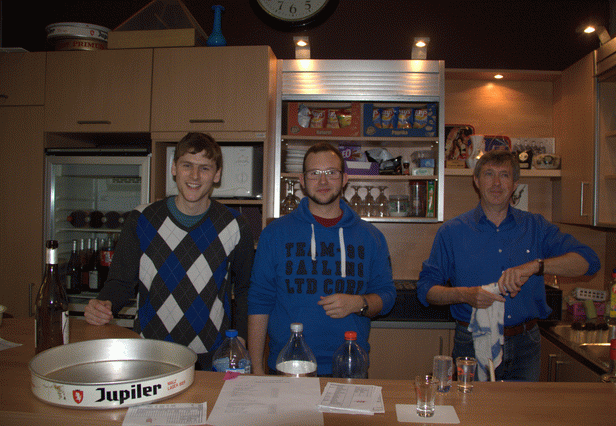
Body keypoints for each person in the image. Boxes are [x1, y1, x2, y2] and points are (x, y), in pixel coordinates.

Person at [417, 149, 600, 382]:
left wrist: (535, 266)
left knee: (521, 407)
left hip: (526, 344)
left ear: (514, 184)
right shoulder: (452, 231)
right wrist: (465, 295)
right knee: (474, 406)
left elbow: (589, 261)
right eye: (489, 174)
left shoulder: (536, 227)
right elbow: (426, 290)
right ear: (476, 181)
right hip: (471, 342)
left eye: (504, 175)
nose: (496, 183)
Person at [84, 132, 255, 371]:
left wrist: (241, 338)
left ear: (217, 175)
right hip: (150, 354)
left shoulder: (235, 225)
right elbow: (121, 282)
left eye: (205, 168)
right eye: (187, 165)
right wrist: (103, 305)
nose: (194, 176)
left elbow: (245, 290)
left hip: (211, 358)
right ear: (174, 168)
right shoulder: (142, 219)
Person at [248, 142, 396, 376]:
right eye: (314, 173)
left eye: (331, 173)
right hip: (288, 367)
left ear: (345, 178)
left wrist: (358, 303)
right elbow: (259, 301)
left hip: (349, 367)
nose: (323, 181)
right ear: (302, 180)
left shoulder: (371, 237)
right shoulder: (274, 234)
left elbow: (387, 296)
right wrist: (256, 368)